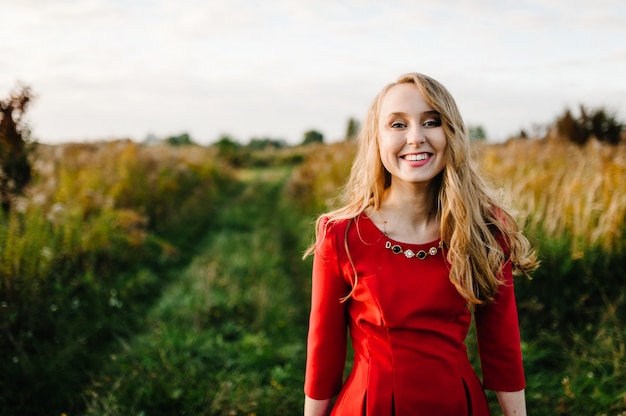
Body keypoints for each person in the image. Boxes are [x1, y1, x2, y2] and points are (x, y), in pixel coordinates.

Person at [303, 72, 539, 416]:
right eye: (397, 125)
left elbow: (502, 346)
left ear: (452, 134)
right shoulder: (340, 234)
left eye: (431, 122)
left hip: (458, 405)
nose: (416, 138)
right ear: (376, 139)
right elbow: (324, 357)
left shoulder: (485, 230)